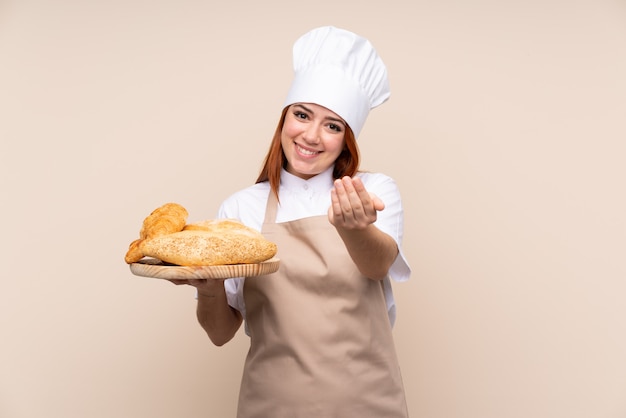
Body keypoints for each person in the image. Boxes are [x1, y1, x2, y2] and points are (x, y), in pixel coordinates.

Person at [174, 25, 411, 417]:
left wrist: (355, 227)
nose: (311, 136)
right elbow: (220, 333)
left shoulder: (373, 190)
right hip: (272, 404)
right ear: (285, 119)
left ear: (346, 138)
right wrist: (209, 287)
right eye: (302, 115)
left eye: (332, 125)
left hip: (368, 403)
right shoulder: (241, 209)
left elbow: (377, 264)